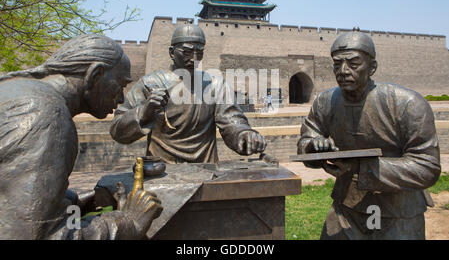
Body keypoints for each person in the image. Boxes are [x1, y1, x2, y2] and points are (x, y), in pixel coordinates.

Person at [0, 34, 162, 240]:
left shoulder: (17, 89)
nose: (121, 98)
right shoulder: (46, 114)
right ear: (95, 75)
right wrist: (128, 222)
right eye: (121, 85)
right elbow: (34, 235)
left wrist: (72, 203)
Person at [297, 27, 441, 240]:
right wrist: (313, 146)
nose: (344, 71)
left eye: (353, 64)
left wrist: (363, 167)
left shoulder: (408, 104)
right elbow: (306, 139)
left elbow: (427, 167)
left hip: (399, 210)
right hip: (347, 205)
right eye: (338, 64)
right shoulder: (325, 102)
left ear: (372, 67)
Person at [110, 24, 266, 163]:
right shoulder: (150, 84)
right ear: (172, 53)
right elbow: (117, 130)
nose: (194, 58)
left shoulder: (216, 85)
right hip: (162, 172)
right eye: (186, 52)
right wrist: (145, 111)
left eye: (199, 52)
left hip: (205, 169)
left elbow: (232, 120)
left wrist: (244, 134)